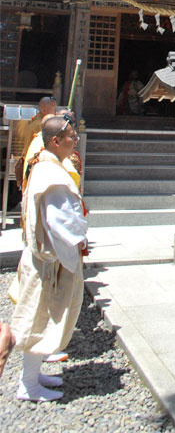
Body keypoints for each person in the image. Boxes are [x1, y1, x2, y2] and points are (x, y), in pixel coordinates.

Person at [10, 115, 88, 401]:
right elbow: (61, 223)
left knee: (41, 316)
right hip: (49, 260)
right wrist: (80, 237)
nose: (75, 140)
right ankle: (28, 384)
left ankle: (33, 374)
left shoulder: (46, 167)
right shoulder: (52, 175)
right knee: (40, 317)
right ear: (55, 141)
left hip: (42, 256)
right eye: (71, 136)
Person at [14, 96, 57, 189]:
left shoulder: (36, 121)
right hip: (34, 164)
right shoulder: (39, 125)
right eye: (54, 110)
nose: (55, 113)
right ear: (44, 110)